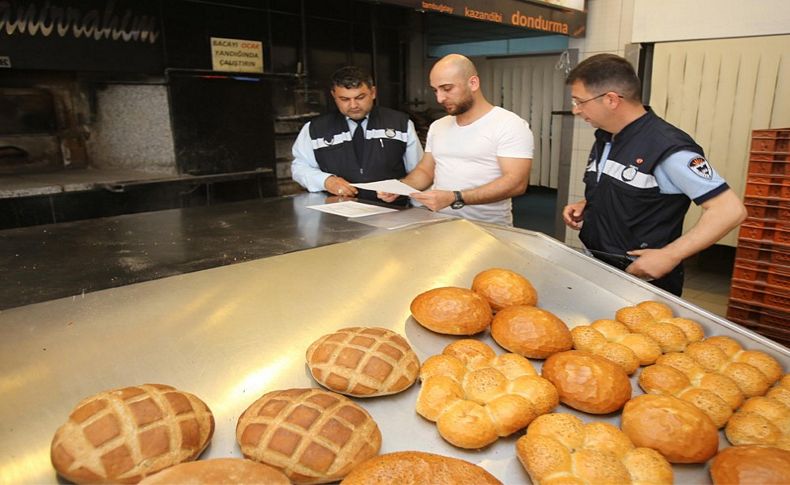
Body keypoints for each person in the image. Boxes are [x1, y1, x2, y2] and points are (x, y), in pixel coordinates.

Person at [561, 53, 747, 296]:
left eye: (580, 101)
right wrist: (588, 204)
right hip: (597, 264)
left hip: (640, 279)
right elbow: (628, 189)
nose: (576, 110)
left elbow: (729, 210)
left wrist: (670, 255)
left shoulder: (666, 147)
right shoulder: (606, 137)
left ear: (611, 99)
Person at [378, 54, 534, 226]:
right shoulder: (438, 126)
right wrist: (401, 187)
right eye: (435, 90)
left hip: (488, 228)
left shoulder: (509, 124)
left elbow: (516, 183)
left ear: (473, 83)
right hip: (441, 224)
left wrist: (455, 197)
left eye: (447, 88)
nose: (439, 98)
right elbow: (425, 171)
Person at [291, 66, 423, 202]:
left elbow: (420, 170)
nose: (353, 105)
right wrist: (326, 181)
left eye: (360, 97)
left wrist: (416, 207)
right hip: (337, 214)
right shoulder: (315, 129)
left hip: (393, 212)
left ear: (373, 92)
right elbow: (300, 167)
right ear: (333, 96)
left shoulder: (400, 124)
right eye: (344, 99)